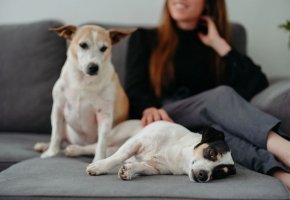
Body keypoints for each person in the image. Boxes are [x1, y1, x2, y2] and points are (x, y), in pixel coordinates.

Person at [125, 0, 290, 189]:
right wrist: (148, 106)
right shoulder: (144, 38)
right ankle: (283, 147)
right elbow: (134, 86)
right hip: (167, 117)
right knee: (221, 94)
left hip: (200, 128)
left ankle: (281, 175)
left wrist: (218, 44)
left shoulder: (213, 42)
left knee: (221, 139)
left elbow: (257, 83)